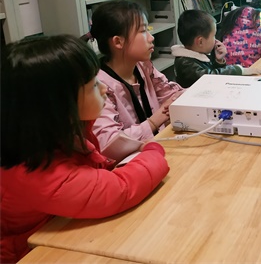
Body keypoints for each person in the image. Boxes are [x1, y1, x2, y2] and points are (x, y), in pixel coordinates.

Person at [0, 35, 170, 263]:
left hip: (60, 231)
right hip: (29, 254)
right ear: (59, 106)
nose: (103, 89)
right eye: (93, 85)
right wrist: (153, 151)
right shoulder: (37, 173)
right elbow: (120, 189)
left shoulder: (54, 138)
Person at [88, 0, 184, 150]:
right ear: (118, 42)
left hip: (156, 148)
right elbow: (110, 142)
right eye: (143, 31)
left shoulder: (143, 66)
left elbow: (170, 93)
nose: (151, 38)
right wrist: (154, 121)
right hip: (129, 160)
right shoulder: (100, 85)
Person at [172, 9, 261, 88]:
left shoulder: (197, 54)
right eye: (213, 36)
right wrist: (238, 70)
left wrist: (219, 61)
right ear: (200, 42)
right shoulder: (185, 64)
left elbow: (214, 74)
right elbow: (211, 77)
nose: (215, 40)